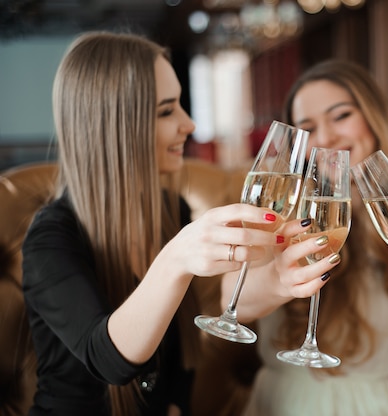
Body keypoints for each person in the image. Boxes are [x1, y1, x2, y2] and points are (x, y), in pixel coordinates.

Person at [21, 31, 285, 416]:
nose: (189, 124)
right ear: (112, 125)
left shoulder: (167, 207)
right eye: (166, 111)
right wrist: (177, 256)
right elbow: (109, 359)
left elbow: (198, 327)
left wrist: (280, 277)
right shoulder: (49, 239)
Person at [222, 59, 388, 415]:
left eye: (341, 116)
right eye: (308, 127)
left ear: (374, 119)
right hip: (287, 403)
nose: (327, 138)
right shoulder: (279, 212)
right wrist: (283, 275)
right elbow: (231, 305)